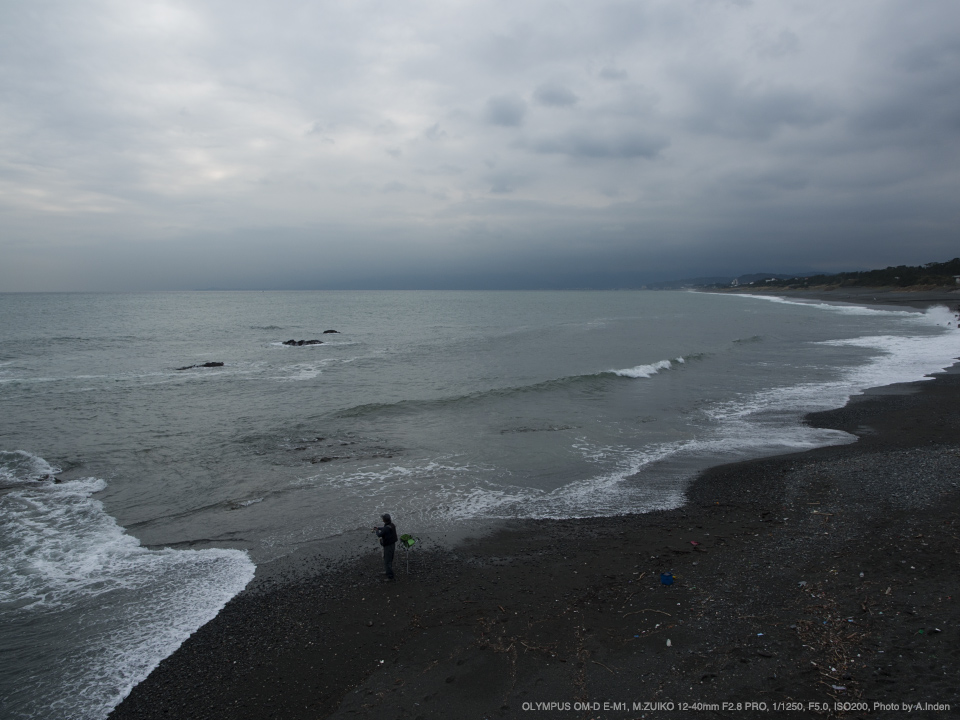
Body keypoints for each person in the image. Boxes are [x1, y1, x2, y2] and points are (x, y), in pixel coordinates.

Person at [374, 513, 398, 580]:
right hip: (392, 545)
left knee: (387, 561)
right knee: (389, 559)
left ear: (384, 520)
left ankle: (390, 576)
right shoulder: (392, 525)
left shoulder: (386, 529)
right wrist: (378, 528)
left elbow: (379, 535)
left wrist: (376, 531)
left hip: (388, 546)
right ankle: (388, 571)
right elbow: (385, 529)